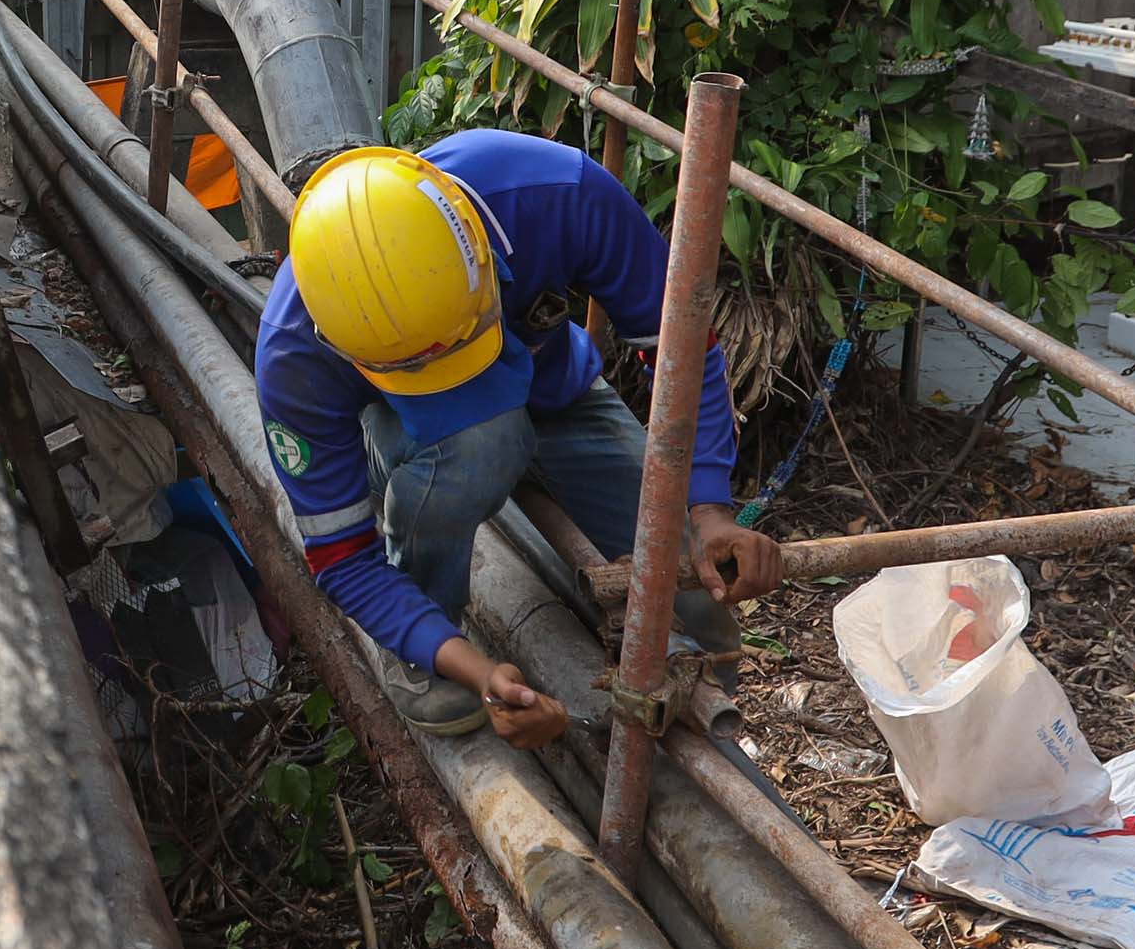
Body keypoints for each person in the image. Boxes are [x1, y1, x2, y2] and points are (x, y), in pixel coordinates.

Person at [259, 133, 781, 740]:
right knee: (486, 443)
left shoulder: (555, 194)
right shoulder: (294, 354)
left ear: (482, 258)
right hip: (427, 439)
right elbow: (341, 558)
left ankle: (703, 762)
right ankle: (425, 624)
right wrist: (470, 665)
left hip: (560, 394)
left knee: (699, 604)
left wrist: (710, 505)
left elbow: (682, 351)